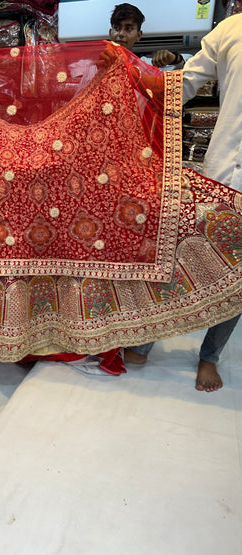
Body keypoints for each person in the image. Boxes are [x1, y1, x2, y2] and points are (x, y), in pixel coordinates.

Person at [124, 13, 242, 392]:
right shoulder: (231, 28)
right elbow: (183, 83)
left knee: (240, 278)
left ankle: (209, 357)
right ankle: (145, 340)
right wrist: (126, 69)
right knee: (181, 254)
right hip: (225, 167)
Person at [108, 3, 191, 70]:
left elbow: (195, 64)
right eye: (117, 28)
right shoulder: (97, 63)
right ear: (110, 33)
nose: (121, 33)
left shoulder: (147, 66)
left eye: (128, 29)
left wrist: (175, 59)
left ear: (138, 36)